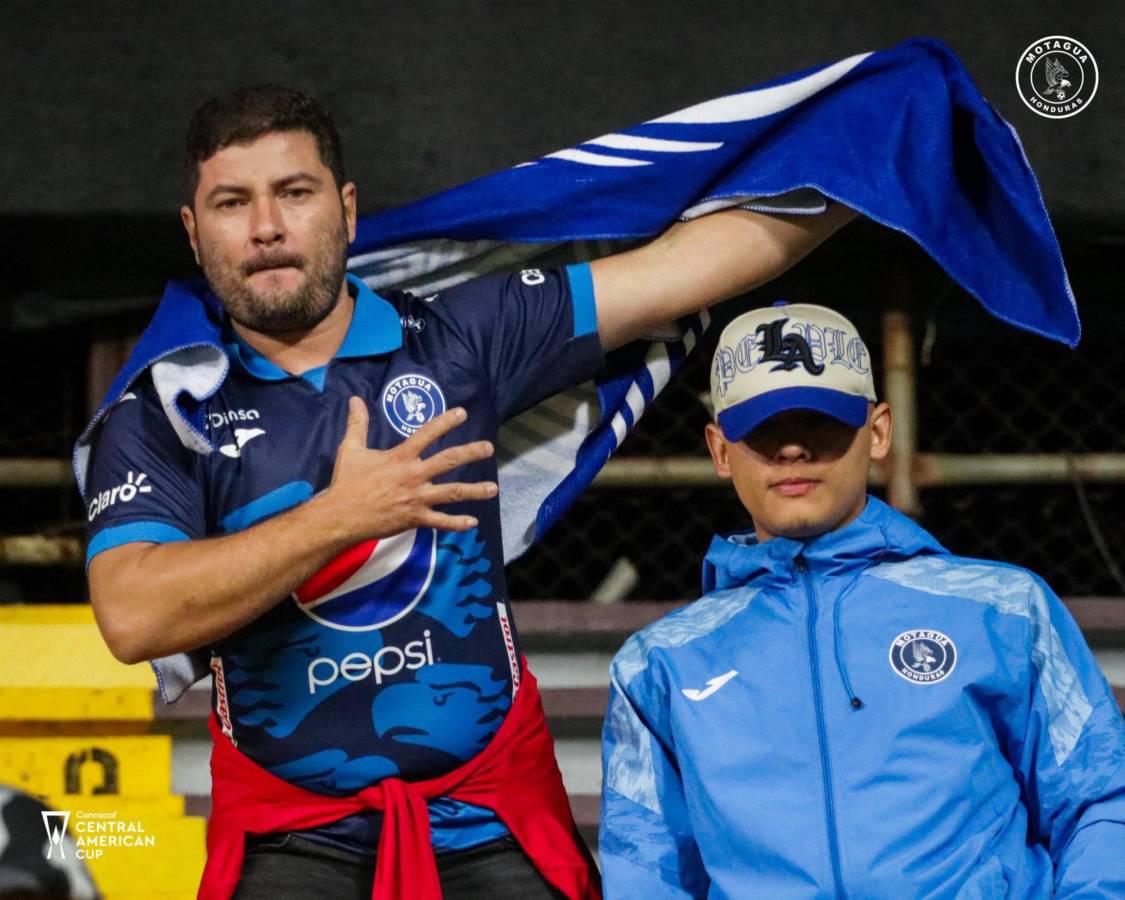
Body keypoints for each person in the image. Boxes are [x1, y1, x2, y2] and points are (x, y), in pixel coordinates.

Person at [81, 86, 854, 899]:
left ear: (346, 210)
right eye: (231, 203)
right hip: (291, 834)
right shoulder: (165, 410)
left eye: (294, 193)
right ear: (193, 232)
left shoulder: (456, 338)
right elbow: (134, 617)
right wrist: (337, 519)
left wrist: (875, 166)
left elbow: (680, 271)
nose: (266, 227)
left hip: (488, 815)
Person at [599, 303, 1125, 898]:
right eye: (763, 430)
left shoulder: (1003, 609)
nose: (793, 450)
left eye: (819, 423)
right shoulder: (660, 664)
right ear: (721, 451)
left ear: (877, 432)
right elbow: (648, 871)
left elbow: (1100, 800)